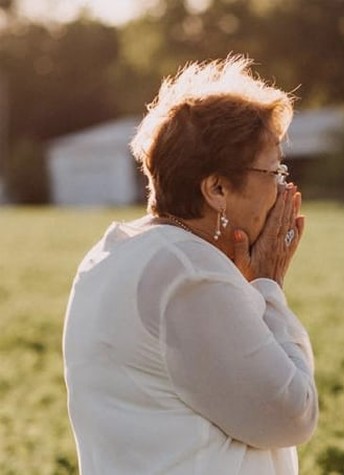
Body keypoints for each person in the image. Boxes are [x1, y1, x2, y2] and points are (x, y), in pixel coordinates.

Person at [62, 56, 318, 475]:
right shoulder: (191, 273)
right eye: (274, 171)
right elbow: (291, 414)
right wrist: (269, 284)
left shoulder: (111, 254)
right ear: (217, 188)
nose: (284, 189)